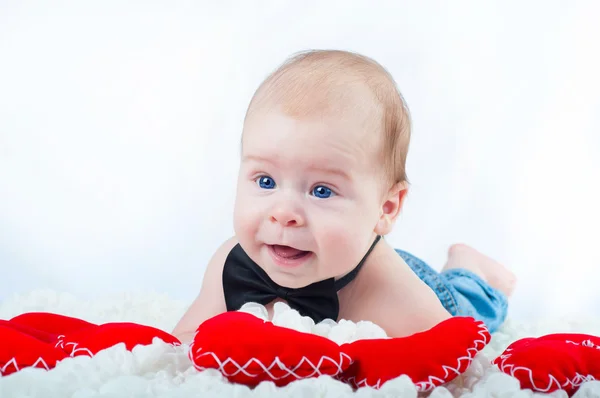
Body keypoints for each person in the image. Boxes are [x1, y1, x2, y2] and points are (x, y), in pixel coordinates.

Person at [172, 50, 516, 344]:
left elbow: (457, 358)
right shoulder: (231, 265)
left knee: (474, 308)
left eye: (321, 191)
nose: (283, 213)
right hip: (347, 252)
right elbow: (186, 339)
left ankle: (469, 266)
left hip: (416, 282)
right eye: (265, 181)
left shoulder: (395, 294)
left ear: (386, 208)